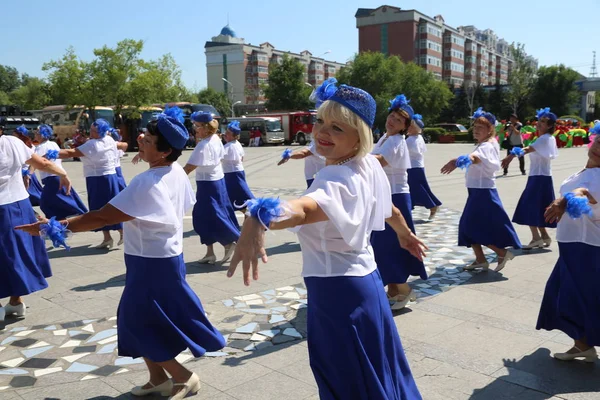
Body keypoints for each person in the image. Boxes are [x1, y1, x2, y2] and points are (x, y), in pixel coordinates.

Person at [228, 82, 424, 400]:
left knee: (349, 382)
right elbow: (390, 209)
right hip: (367, 285)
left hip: (339, 295)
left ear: (359, 136)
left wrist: (258, 215)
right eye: (320, 121)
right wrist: (405, 235)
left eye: (337, 127)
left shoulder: (336, 178)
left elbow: (304, 210)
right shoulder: (368, 165)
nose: (323, 131)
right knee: (377, 373)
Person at [17, 108, 225, 399]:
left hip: (152, 262)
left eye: (149, 139)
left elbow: (102, 217)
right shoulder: (175, 171)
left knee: (136, 321)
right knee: (140, 320)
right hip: (162, 257)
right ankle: (157, 378)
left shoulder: (146, 182)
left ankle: (183, 376)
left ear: (165, 152)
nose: (141, 138)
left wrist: (53, 227)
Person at [537, 124, 600, 362]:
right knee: (565, 294)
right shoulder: (580, 173)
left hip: (586, 247)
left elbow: (585, 194)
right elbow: (576, 189)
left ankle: (583, 344)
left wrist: (565, 199)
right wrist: (560, 200)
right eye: (599, 141)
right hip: (571, 244)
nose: (599, 148)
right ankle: (582, 345)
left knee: (580, 297)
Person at [0, 126, 72, 321]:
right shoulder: (12, 142)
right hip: (19, 205)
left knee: (5, 255)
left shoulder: (13, 142)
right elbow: (42, 163)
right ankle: (16, 302)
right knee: (19, 252)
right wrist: (62, 174)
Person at [441, 107, 521, 272]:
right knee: (469, 227)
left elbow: (476, 158)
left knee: (469, 227)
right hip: (478, 191)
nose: (476, 130)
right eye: (475, 127)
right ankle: (481, 259)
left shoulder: (486, 145)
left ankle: (500, 252)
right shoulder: (488, 143)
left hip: (483, 192)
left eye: (480, 128)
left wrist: (459, 160)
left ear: (490, 129)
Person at [371, 94, 427, 310]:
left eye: (398, 119)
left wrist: (352, 156)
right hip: (384, 195)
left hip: (395, 197)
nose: (392, 121)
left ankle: (403, 288)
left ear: (405, 126)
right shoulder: (385, 137)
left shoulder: (395, 140)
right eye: (391, 116)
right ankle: (394, 290)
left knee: (389, 244)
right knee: (384, 244)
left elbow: (379, 161)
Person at [57, 119, 128, 248]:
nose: (90, 132)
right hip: (109, 176)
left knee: (99, 208)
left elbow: (70, 152)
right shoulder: (109, 140)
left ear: (98, 132)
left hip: (97, 179)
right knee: (110, 206)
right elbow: (123, 145)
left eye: (92, 130)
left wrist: (52, 154)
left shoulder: (92, 144)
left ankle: (114, 235)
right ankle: (115, 235)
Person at [183, 111, 240, 264]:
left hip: (208, 184)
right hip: (217, 181)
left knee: (206, 216)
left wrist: (173, 179)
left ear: (207, 128)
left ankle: (230, 241)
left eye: (198, 126)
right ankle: (210, 252)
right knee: (212, 214)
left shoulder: (203, 145)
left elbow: (188, 168)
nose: (196, 129)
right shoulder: (216, 139)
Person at [502, 107, 559, 249]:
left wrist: (510, 155)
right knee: (539, 207)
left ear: (550, 125)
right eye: (539, 120)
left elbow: (527, 149)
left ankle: (536, 238)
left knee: (529, 206)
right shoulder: (547, 138)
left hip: (539, 177)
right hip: (542, 177)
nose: (539, 123)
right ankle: (544, 236)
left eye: (544, 122)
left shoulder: (544, 139)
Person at [33, 124, 88, 220]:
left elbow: (37, 162)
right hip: (58, 175)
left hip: (51, 177)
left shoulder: (40, 147)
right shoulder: (53, 144)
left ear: (42, 134)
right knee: (56, 202)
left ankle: (71, 219)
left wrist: (28, 174)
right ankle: (62, 221)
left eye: (37, 132)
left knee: (46, 204)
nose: (35, 134)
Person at [407, 113, 442, 221]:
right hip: (416, 167)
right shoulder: (418, 138)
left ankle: (432, 205)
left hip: (414, 168)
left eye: (411, 126)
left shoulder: (411, 140)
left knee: (418, 189)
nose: (408, 128)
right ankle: (411, 208)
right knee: (417, 189)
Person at [222, 120, 255, 211]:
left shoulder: (229, 146)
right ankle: (248, 213)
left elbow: (218, 158)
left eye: (228, 133)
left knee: (240, 195)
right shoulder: (236, 144)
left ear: (234, 135)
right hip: (236, 171)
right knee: (237, 196)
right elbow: (241, 158)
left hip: (232, 174)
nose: (225, 134)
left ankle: (253, 212)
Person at [13, 126, 43, 207]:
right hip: (24, 170)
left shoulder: (25, 144)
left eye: (15, 134)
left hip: (25, 171)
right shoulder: (21, 143)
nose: (13, 135)